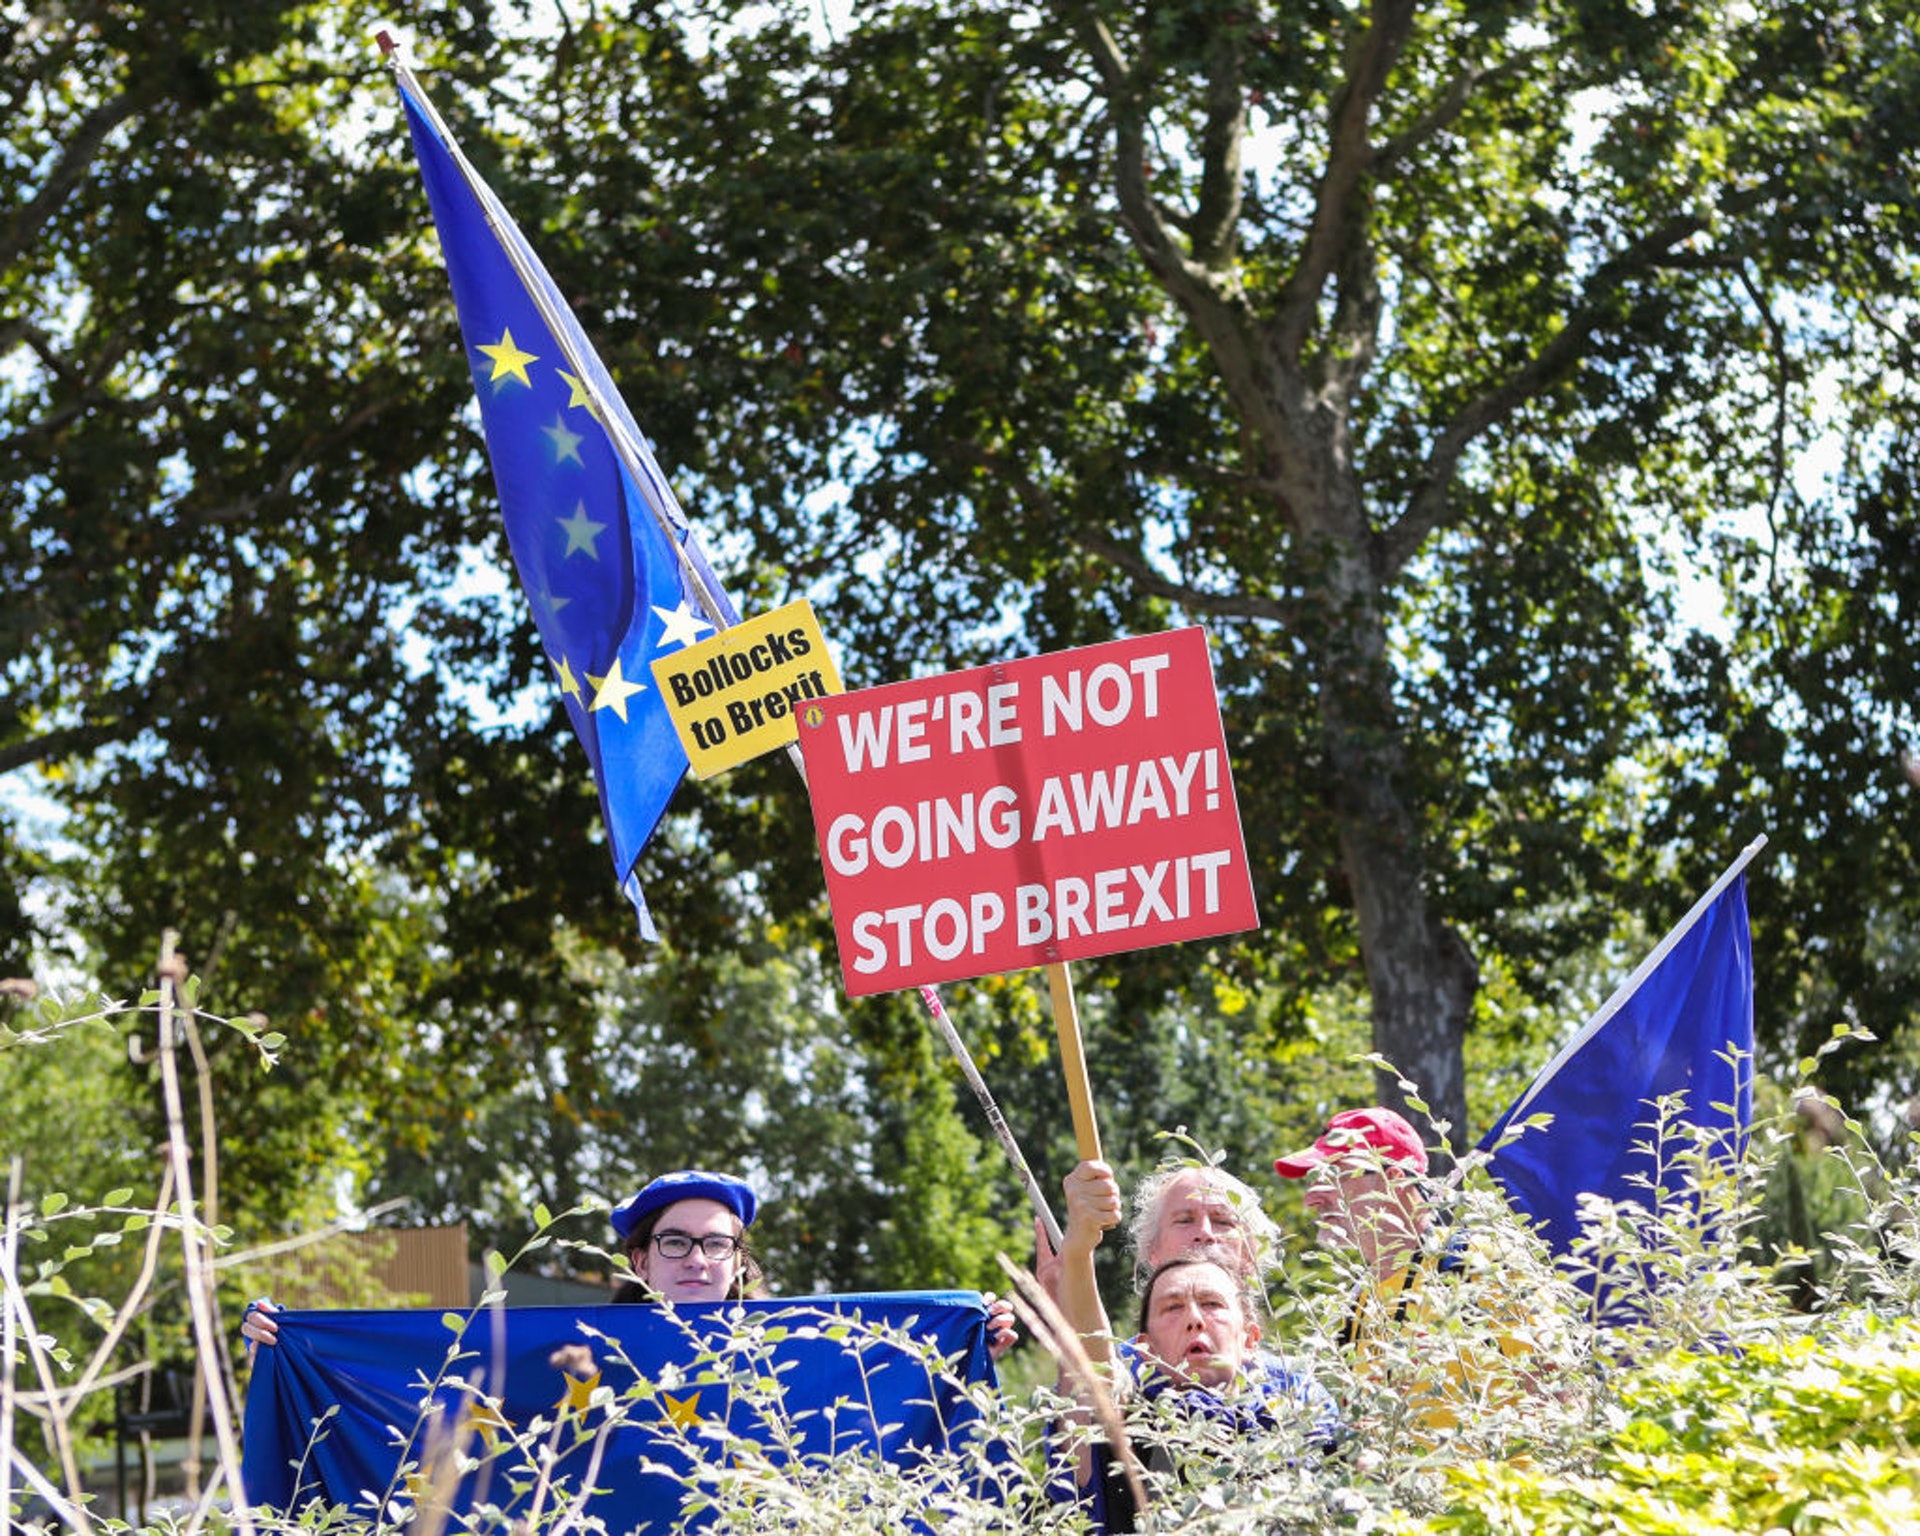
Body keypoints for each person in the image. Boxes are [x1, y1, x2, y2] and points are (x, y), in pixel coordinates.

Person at [244, 1168, 1017, 1358]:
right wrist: (302, 1343)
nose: (698, 1259)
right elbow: (432, 1383)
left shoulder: (802, 1346)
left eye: (717, 1243)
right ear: (641, 1259)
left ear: (738, 1260)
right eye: (675, 1242)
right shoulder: (578, 1347)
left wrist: (974, 1333)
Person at [1052, 1160, 1338, 1531]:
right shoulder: (1128, 1394)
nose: (1194, 1319)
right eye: (1184, 1220)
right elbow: (1094, 1358)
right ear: (1145, 1349)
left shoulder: (1299, 1394)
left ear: (1251, 1337)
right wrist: (1079, 1250)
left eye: (1223, 1220)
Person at [1274, 1106, 1554, 1435]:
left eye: (1334, 1175)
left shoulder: (1478, 1264)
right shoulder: (1355, 1309)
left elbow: (1561, 1394)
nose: (1312, 1197)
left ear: (1394, 1179)